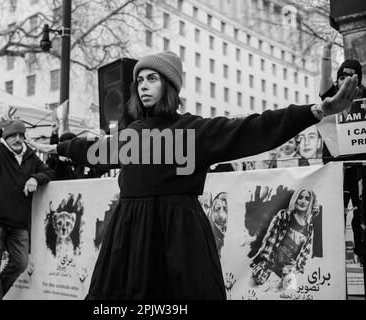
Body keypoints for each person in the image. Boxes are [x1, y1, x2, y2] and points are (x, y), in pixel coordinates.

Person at [28, 51, 358, 299]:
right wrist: (55, 148)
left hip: (179, 236)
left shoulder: (193, 131)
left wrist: (317, 111)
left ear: (170, 85)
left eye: (152, 79)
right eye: (140, 80)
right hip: (129, 235)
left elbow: (255, 128)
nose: (143, 85)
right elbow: (92, 150)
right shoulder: (131, 135)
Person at [0, 116, 54, 300]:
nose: (17, 139)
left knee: (21, 262)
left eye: (21, 135)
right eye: (13, 135)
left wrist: (35, 179)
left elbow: (49, 172)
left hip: (18, 222)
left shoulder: (31, 156)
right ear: (5, 136)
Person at [319, 41, 365, 266]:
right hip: (334, 169)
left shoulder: (364, 100)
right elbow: (325, 79)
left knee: (362, 215)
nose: (344, 82)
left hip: (359, 168)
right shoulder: (330, 97)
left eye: (351, 77)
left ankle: (362, 254)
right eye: (341, 77)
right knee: (334, 214)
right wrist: (326, 56)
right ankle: (332, 260)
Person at [250, 189, 319, 289]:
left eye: (307, 199)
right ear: (295, 199)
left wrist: (295, 269)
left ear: (310, 202)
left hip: (286, 275)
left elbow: (304, 255)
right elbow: (269, 240)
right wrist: (265, 264)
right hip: (269, 268)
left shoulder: (309, 228)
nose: (303, 201)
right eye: (300, 197)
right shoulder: (284, 215)